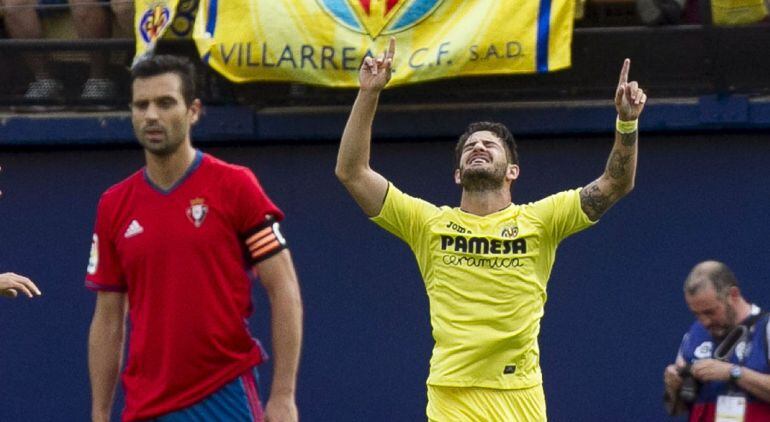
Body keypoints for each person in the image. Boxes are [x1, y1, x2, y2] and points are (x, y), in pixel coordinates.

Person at [335, 38, 646, 421]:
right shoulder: (427, 223)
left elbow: (616, 184)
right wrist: (368, 93)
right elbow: (352, 172)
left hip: (519, 395)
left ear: (512, 171)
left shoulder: (542, 219)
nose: (478, 148)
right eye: (470, 147)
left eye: (490, 145)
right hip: (452, 394)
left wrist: (626, 122)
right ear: (457, 173)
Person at [85, 55, 302, 422]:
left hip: (225, 394)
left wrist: (283, 396)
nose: (152, 115)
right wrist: (100, 413)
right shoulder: (113, 205)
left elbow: (284, 290)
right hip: (145, 405)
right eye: (142, 105)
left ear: (193, 111)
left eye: (165, 102)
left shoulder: (235, 186)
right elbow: (108, 319)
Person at [663, 261, 770, 420]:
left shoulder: (765, 329)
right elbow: (677, 409)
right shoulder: (693, 335)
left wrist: (733, 372)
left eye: (710, 312)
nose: (704, 322)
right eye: (697, 314)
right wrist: (673, 386)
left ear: (733, 295)